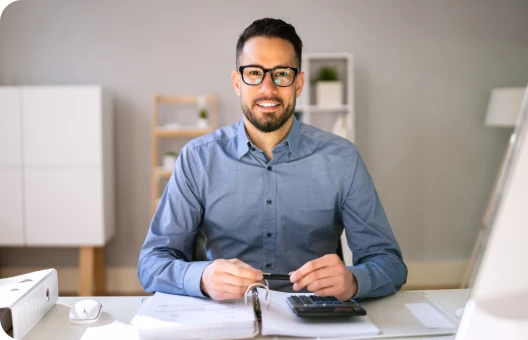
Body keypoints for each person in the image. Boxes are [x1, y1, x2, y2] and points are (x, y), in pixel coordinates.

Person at [138, 17, 407, 302]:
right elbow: (151, 265)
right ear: (237, 82)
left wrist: (353, 280)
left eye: (281, 74)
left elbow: (389, 263)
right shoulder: (197, 159)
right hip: (225, 315)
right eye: (254, 73)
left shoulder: (342, 159)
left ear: (299, 83)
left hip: (314, 317)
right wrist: (202, 278)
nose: (268, 88)